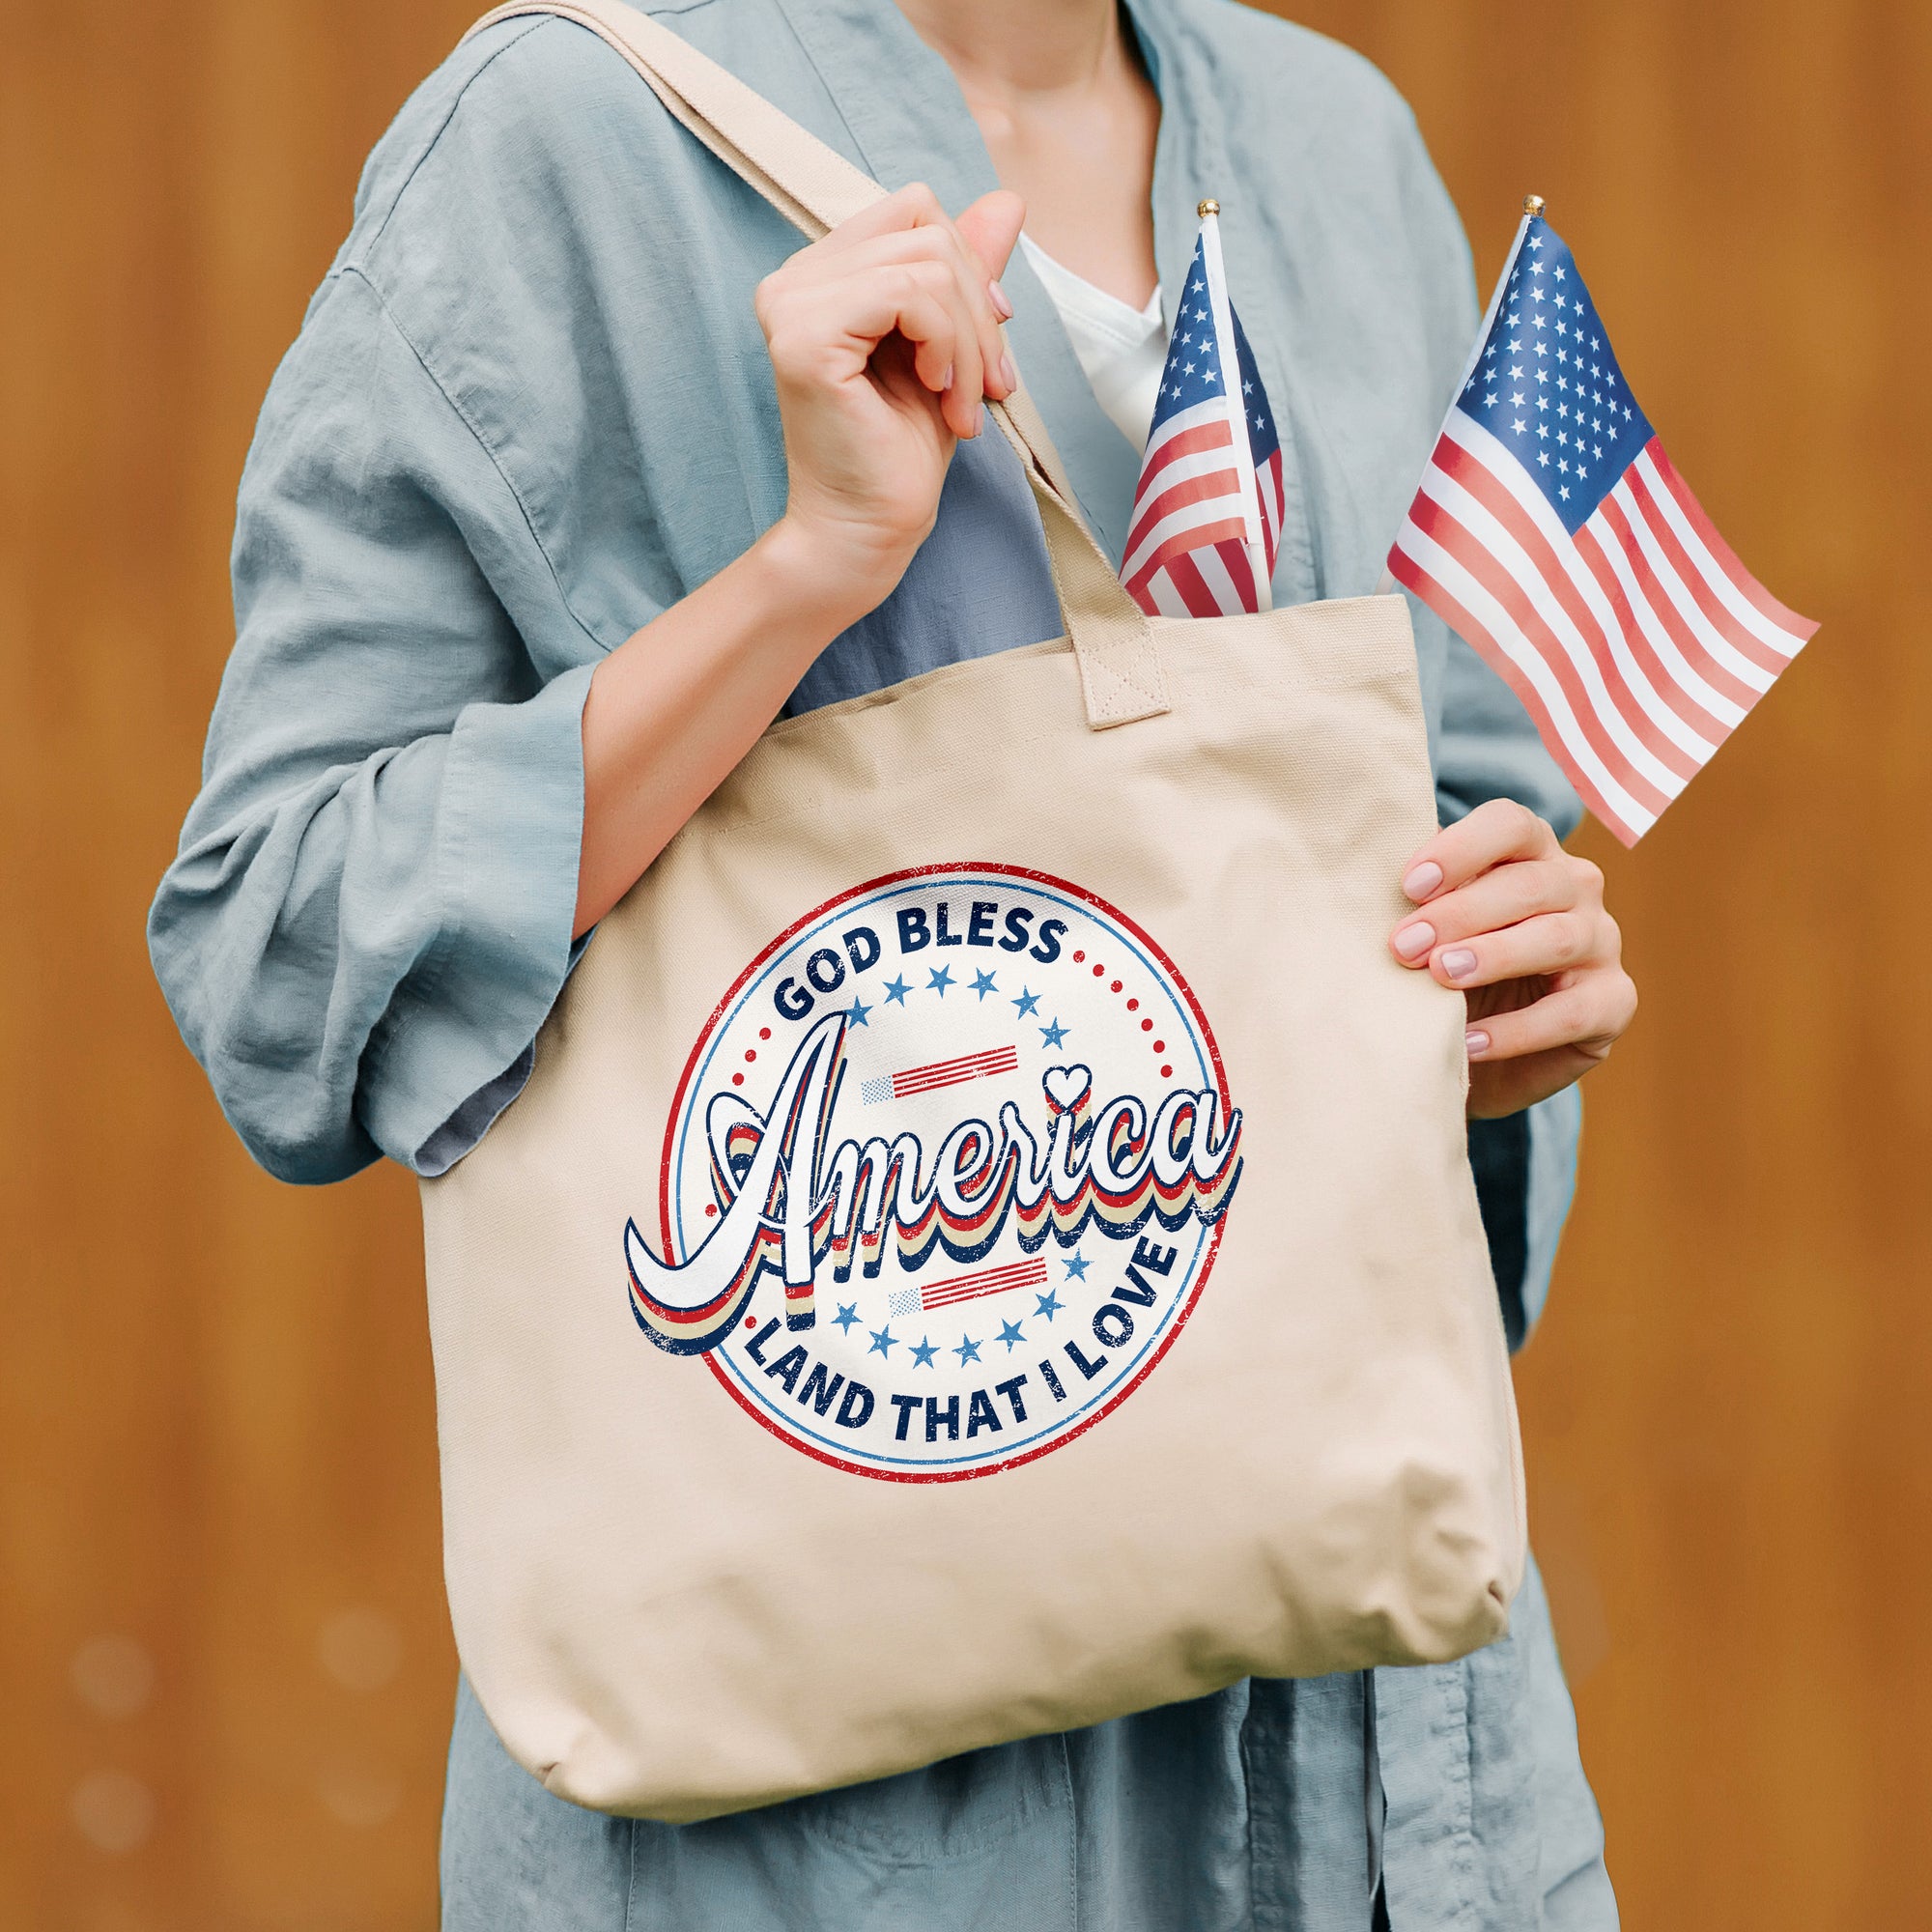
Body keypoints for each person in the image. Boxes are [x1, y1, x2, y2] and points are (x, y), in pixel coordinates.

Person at [150, 0, 1636, 1922]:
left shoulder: (1334, 141)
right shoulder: (557, 142)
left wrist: (1493, 998)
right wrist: (804, 576)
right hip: (822, 1829)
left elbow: (1464, 808)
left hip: (1403, 1800)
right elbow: (279, 954)